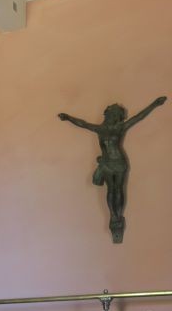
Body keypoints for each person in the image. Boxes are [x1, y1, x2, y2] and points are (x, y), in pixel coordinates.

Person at [58, 96, 167, 241]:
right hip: (107, 163)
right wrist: (68, 118)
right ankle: (114, 216)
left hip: (120, 163)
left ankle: (119, 215)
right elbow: (83, 124)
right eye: (113, 114)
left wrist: (155, 104)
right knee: (111, 190)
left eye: (117, 114)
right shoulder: (99, 129)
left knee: (118, 189)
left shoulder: (120, 128)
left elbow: (139, 117)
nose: (114, 117)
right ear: (108, 114)